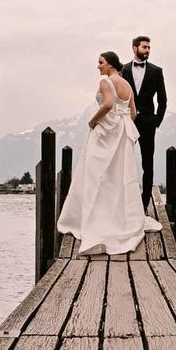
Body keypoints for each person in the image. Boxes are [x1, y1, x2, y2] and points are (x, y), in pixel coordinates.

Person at [57, 51, 161, 255]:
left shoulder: (106, 82)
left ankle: (97, 219)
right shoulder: (128, 85)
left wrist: (93, 121)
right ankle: (120, 218)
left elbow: (107, 104)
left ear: (111, 65)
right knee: (119, 176)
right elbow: (132, 113)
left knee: (96, 174)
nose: (98, 66)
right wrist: (120, 122)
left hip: (105, 134)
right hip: (122, 133)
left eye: (101, 63)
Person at [122, 35, 166, 208]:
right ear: (134, 48)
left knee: (148, 163)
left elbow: (163, 100)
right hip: (127, 122)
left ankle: (145, 202)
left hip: (148, 124)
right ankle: (125, 202)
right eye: (144, 47)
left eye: (149, 48)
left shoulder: (156, 71)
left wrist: (156, 121)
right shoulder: (123, 70)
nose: (147, 50)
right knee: (123, 161)